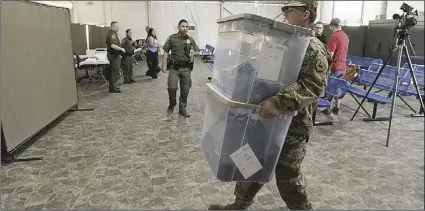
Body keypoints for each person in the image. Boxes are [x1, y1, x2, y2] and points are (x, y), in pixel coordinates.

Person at [207, 0, 332, 210]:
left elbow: (313, 85)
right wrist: (233, 74)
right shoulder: (285, 41)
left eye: (289, 9)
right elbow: (262, 68)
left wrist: (278, 101)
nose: (284, 12)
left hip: (293, 124)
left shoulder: (312, 47)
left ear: (306, 14)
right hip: (264, 118)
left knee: (287, 176)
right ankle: (239, 204)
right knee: (251, 163)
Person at [162, 19, 200, 118]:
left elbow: (197, 51)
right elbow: (165, 51)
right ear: (178, 27)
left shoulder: (190, 39)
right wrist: (164, 65)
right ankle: (172, 104)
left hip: (186, 68)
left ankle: (182, 109)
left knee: (185, 89)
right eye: (183, 26)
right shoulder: (171, 38)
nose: (185, 28)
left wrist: (195, 53)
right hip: (174, 68)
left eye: (187, 27)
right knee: (172, 88)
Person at [322, 18, 349, 115]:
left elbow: (330, 54)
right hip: (343, 66)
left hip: (335, 66)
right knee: (338, 87)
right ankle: (336, 108)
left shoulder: (334, 36)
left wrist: (325, 66)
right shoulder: (345, 36)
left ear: (332, 26)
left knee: (330, 87)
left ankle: (328, 108)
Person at [105, 21, 126, 93]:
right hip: (113, 55)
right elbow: (113, 45)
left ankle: (112, 86)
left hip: (115, 55)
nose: (118, 27)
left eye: (118, 26)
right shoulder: (112, 34)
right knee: (115, 71)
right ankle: (112, 87)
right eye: (116, 26)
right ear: (112, 26)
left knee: (114, 71)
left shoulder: (114, 33)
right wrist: (121, 49)